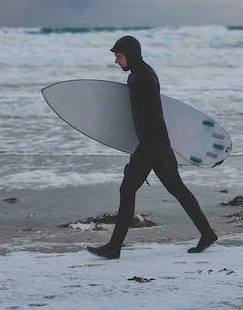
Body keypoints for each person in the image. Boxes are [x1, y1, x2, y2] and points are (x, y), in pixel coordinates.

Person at [87, 36, 217, 259]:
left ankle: (114, 247)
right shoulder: (136, 75)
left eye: (119, 56)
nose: (116, 61)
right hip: (157, 144)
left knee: (127, 190)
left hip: (152, 144)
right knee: (177, 189)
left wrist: (139, 156)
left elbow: (154, 119)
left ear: (131, 55)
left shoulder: (145, 78)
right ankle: (207, 233)